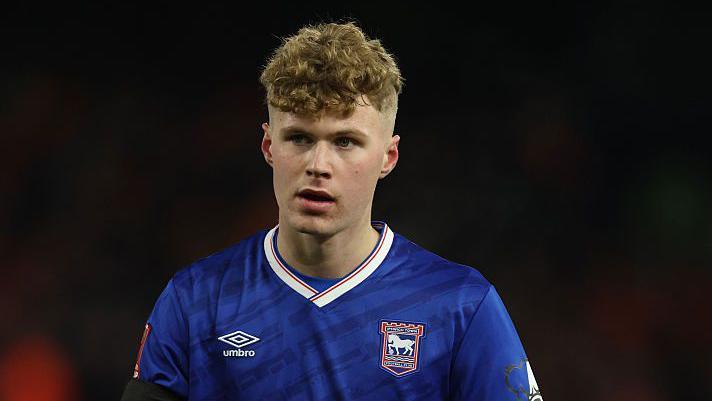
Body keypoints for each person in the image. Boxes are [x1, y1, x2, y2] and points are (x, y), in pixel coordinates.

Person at [120, 21, 543, 401]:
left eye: (345, 142)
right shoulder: (195, 300)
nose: (318, 165)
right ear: (269, 146)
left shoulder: (460, 305)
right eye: (299, 138)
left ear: (388, 156)